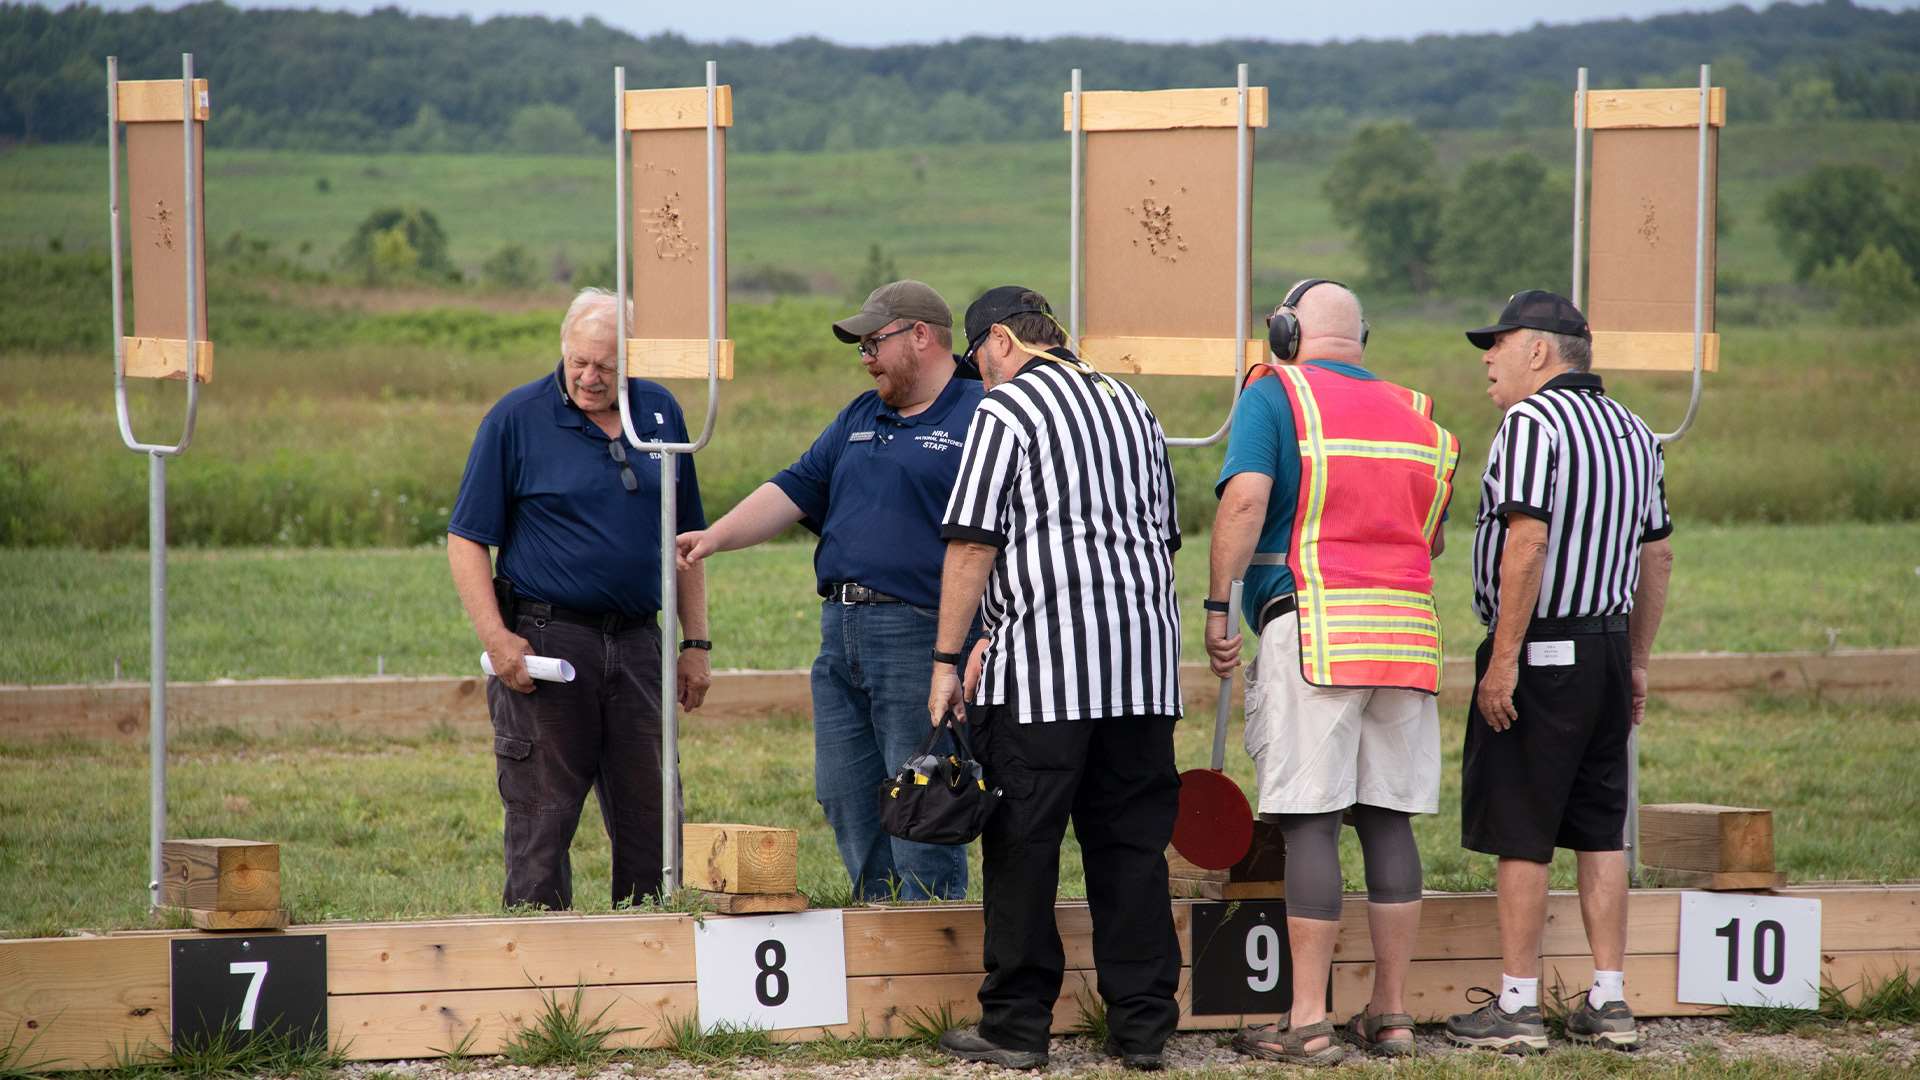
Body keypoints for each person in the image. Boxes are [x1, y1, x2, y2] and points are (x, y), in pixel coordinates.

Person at [928, 287, 1184, 1072]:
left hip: (1043, 673)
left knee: (1024, 847)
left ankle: (1015, 1025)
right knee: (1132, 850)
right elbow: (1166, 534)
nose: (981, 380)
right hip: (1144, 668)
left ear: (1000, 340)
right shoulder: (1132, 404)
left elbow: (972, 544)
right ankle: (1143, 1029)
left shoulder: (1005, 414)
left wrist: (946, 659)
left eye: (978, 363)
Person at [1206, 279, 1459, 1066]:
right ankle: (1390, 1015)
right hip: (1407, 637)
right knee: (1387, 819)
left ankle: (1308, 1019)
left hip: (1313, 629)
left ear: (1285, 332)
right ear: (1364, 338)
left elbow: (1246, 503)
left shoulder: (1275, 392)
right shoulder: (1419, 415)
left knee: (1310, 821)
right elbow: (1434, 539)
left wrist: (1220, 605)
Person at [676, 280, 983, 901]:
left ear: (921, 336)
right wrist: (715, 537)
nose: (865, 356)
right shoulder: (860, 415)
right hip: (840, 629)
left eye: (874, 341)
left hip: (922, 631)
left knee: (921, 792)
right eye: (861, 346)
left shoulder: (979, 414)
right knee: (845, 790)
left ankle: (932, 931)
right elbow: (794, 488)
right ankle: (879, 920)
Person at [1444, 290, 1675, 1053]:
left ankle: (1518, 1005)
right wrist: (1637, 663)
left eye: (1499, 343)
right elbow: (1656, 554)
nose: (1488, 357)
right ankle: (1610, 999)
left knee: (1524, 825)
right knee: (1600, 828)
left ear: (1539, 351)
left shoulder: (1530, 424)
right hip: (1609, 648)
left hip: (1543, 648)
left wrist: (1503, 659)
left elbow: (1528, 544)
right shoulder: (1637, 431)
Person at [447, 287, 711, 911]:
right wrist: (496, 638)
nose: (590, 379)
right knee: (542, 818)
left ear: (633, 363)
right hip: (548, 643)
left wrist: (694, 642)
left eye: (608, 367)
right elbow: (466, 540)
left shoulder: (662, 414)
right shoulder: (515, 419)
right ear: (563, 351)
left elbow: (686, 541)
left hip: (639, 644)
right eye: (579, 364)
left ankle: (653, 961)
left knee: (654, 818)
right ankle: (541, 976)